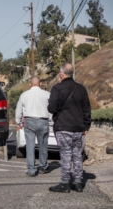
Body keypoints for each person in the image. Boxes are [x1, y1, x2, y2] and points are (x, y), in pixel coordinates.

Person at [48, 63, 91, 193]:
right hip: (78, 127)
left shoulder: (57, 88)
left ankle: (65, 183)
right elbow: (86, 109)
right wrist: (86, 125)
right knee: (77, 154)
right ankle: (78, 183)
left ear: (62, 74)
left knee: (66, 154)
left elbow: (52, 108)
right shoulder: (81, 89)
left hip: (63, 126)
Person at [15, 76, 51, 177]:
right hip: (43, 120)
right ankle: (43, 166)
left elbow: (18, 110)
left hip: (29, 120)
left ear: (30, 84)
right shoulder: (47, 94)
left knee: (30, 145)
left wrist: (18, 122)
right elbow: (52, 108)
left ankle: (31, 169)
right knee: (43, 145)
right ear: (40, 84)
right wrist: (51, 119)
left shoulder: (24, 95)